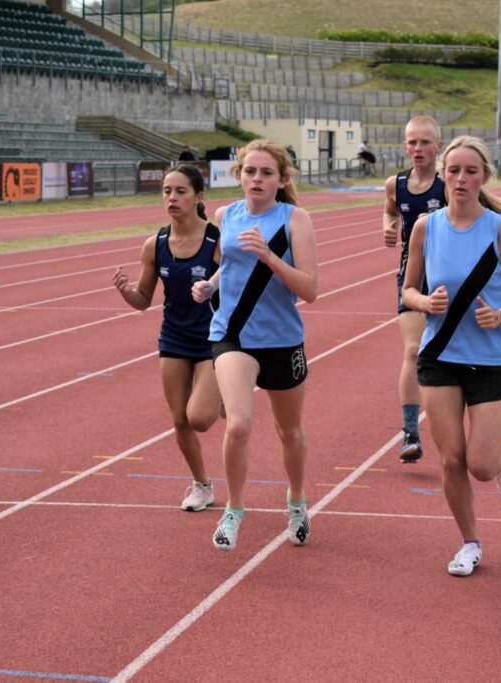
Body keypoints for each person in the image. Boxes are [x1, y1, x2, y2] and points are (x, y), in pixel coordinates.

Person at [401, 135, 501, 577]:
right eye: (454, 170)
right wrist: (422, 302)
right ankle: (469, 543)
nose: (461, 178)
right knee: (450, 459)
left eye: (471, 171)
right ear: (443, 175)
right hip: (439, 357)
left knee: (480, 465)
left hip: (490, 360)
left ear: (484, 176)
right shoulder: (426, 227)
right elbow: (408, 289)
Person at [192, 139, 318, 551]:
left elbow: (310, 290)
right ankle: (234, 509)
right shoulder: (225, 214)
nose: (257, 179)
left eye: (266, 173)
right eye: (250, 172)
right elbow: (227, 264)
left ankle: (297, 500)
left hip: (281, 338)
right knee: (240, 424)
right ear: (239, 176)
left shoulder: (295, 219)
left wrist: (270, 257)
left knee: (290, 431)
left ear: (281, 180)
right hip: (231, 334)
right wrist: (208, 285)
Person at [113, 164, 222, 512]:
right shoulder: (155, 244)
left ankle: (222, 392)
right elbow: (143, 301)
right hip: (173, 338)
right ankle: (202, 485)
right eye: (166, 191)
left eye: (180, 191)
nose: (172, 198)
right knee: (179, 419)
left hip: (212, 338)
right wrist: (126, 291)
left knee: (200, 418)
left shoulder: (216, 241)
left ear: (198, 196)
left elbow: (237, 290)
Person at [383, 115, 446, 463]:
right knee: (412, 351)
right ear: (404, 145)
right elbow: (389, 212)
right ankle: (410, 431)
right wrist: (390, 228)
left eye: (424, 142)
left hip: (450, 278)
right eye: (412, 142)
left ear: (438, 145)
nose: (417, 148)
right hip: (411, 275)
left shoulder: (448, 184)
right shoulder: (396, 184)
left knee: (454, 353)